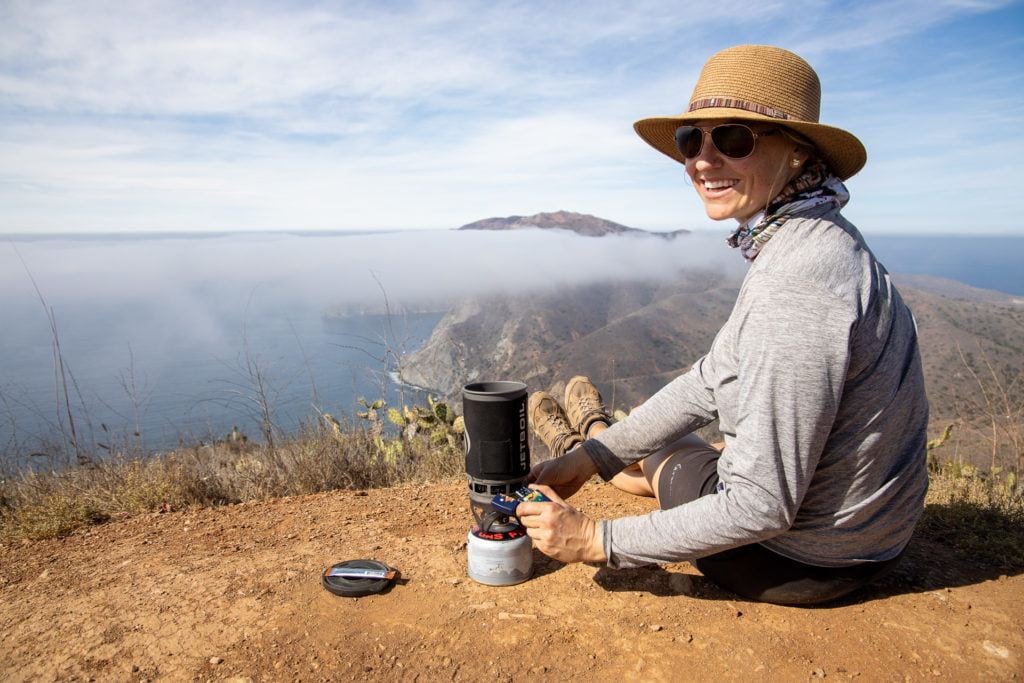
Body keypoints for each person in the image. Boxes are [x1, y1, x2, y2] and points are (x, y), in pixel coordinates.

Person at [516, 44, 929, 605]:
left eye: (734, 139)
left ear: (799, 155)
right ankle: (591, 446)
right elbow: (709, 380)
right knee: (660, 433)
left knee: (666, 453)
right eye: (693, 141)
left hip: (802, 559)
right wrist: (584, 463)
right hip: (868, 537)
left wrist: (594, 538)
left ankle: (594, 440)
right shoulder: (812, 237)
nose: (703, 162)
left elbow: (761, 507)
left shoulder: (799, 282)